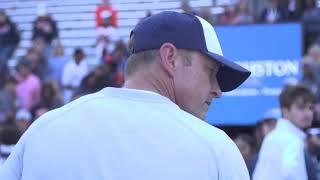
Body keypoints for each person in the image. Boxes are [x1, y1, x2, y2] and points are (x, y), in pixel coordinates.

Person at [0, 11, 251, 180]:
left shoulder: (43, 129)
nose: (217, 90)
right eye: (210, 72)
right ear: (170, 58)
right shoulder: (214, 147)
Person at [253, 85, 316, 180]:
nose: (308, 113)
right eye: (301, 107)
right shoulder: (292, 140)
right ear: (285, 111)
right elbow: (292, 173)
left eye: (310, 108)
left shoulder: (271, 137)